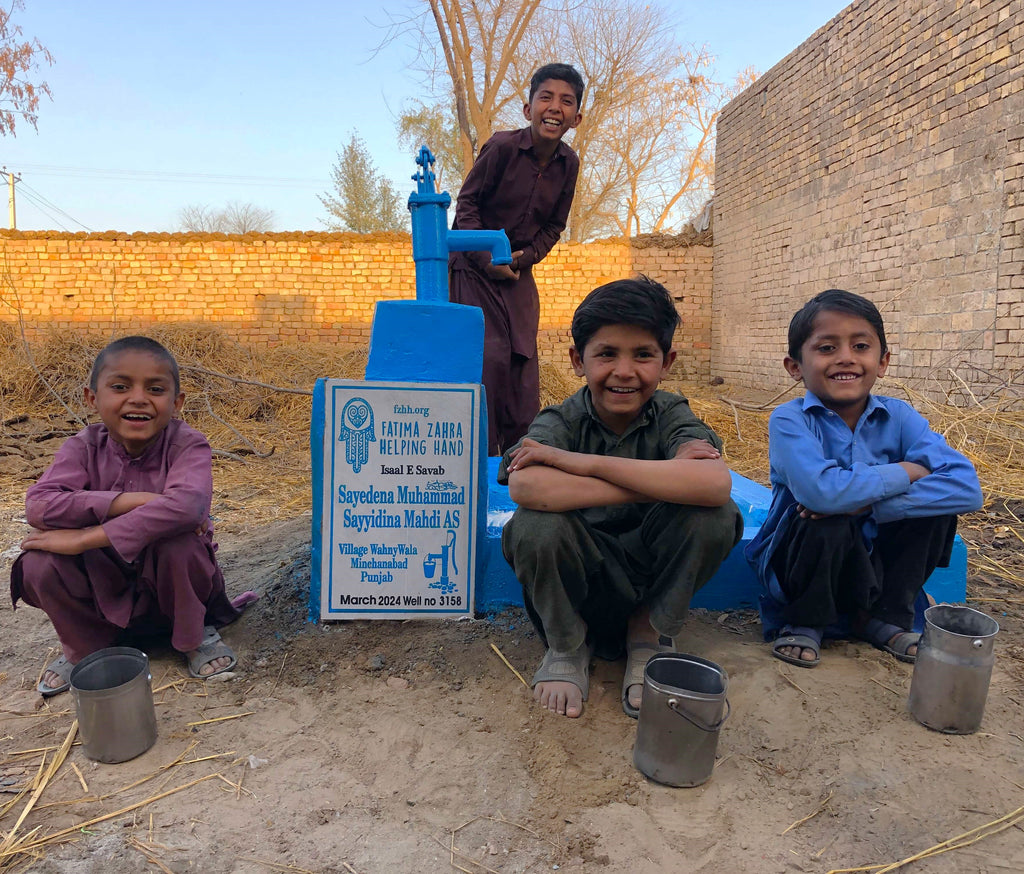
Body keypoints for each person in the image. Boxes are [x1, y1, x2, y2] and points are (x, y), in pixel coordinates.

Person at [498, 277, 743, 719]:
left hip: (651, 581)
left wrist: (580, 464)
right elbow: (527, 487)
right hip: (580, 581)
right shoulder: (561, 420)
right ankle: (567, 647)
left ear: (667, 362)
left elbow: (713, 485)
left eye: (643, 354)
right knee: (535, 525)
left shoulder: (670, 412)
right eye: (607, 354)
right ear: (578, 360)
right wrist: (658, 479)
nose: (625, 371)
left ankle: (646, 636)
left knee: (716, 516)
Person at [746, 289, 983, 668]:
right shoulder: (789, 420)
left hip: (874, 558)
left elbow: (967, 488)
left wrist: (868, 503)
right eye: (826, 348)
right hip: (802, 557)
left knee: (934, 512)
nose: (846, 358)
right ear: (795, 367)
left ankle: (884, 617)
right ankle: (805, 621)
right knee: (826, 519)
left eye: (860, 346)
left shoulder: (901, 417)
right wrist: (906, 471)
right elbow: (822, 494)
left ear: (883, 360)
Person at [11, 336, 253, 697]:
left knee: (179, 543)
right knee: (37, 563)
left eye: (155, 389)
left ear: (177, 402)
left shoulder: (188, 444)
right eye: (120, 386)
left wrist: (83, 538)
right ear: (92, 398)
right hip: (101, 586)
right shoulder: (82, 447)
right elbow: (40, 506)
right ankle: (85, 647)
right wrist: (135, 500)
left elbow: (189, 507)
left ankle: (192, 636)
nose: (138, 398)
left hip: (171, 592)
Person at [450, 62, 584, 456]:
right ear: (528, 110)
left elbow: (554, 227)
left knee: (523, 363)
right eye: (545, 97)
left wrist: (526, 258)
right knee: (488, 357)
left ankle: (517, 459)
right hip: (472, 270)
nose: (555, 107)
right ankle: (479, 458)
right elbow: (467, 205)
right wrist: (484, 254)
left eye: (566, 101)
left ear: (576, 117)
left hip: (517, 273)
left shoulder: (569, 164)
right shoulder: (502, 147)